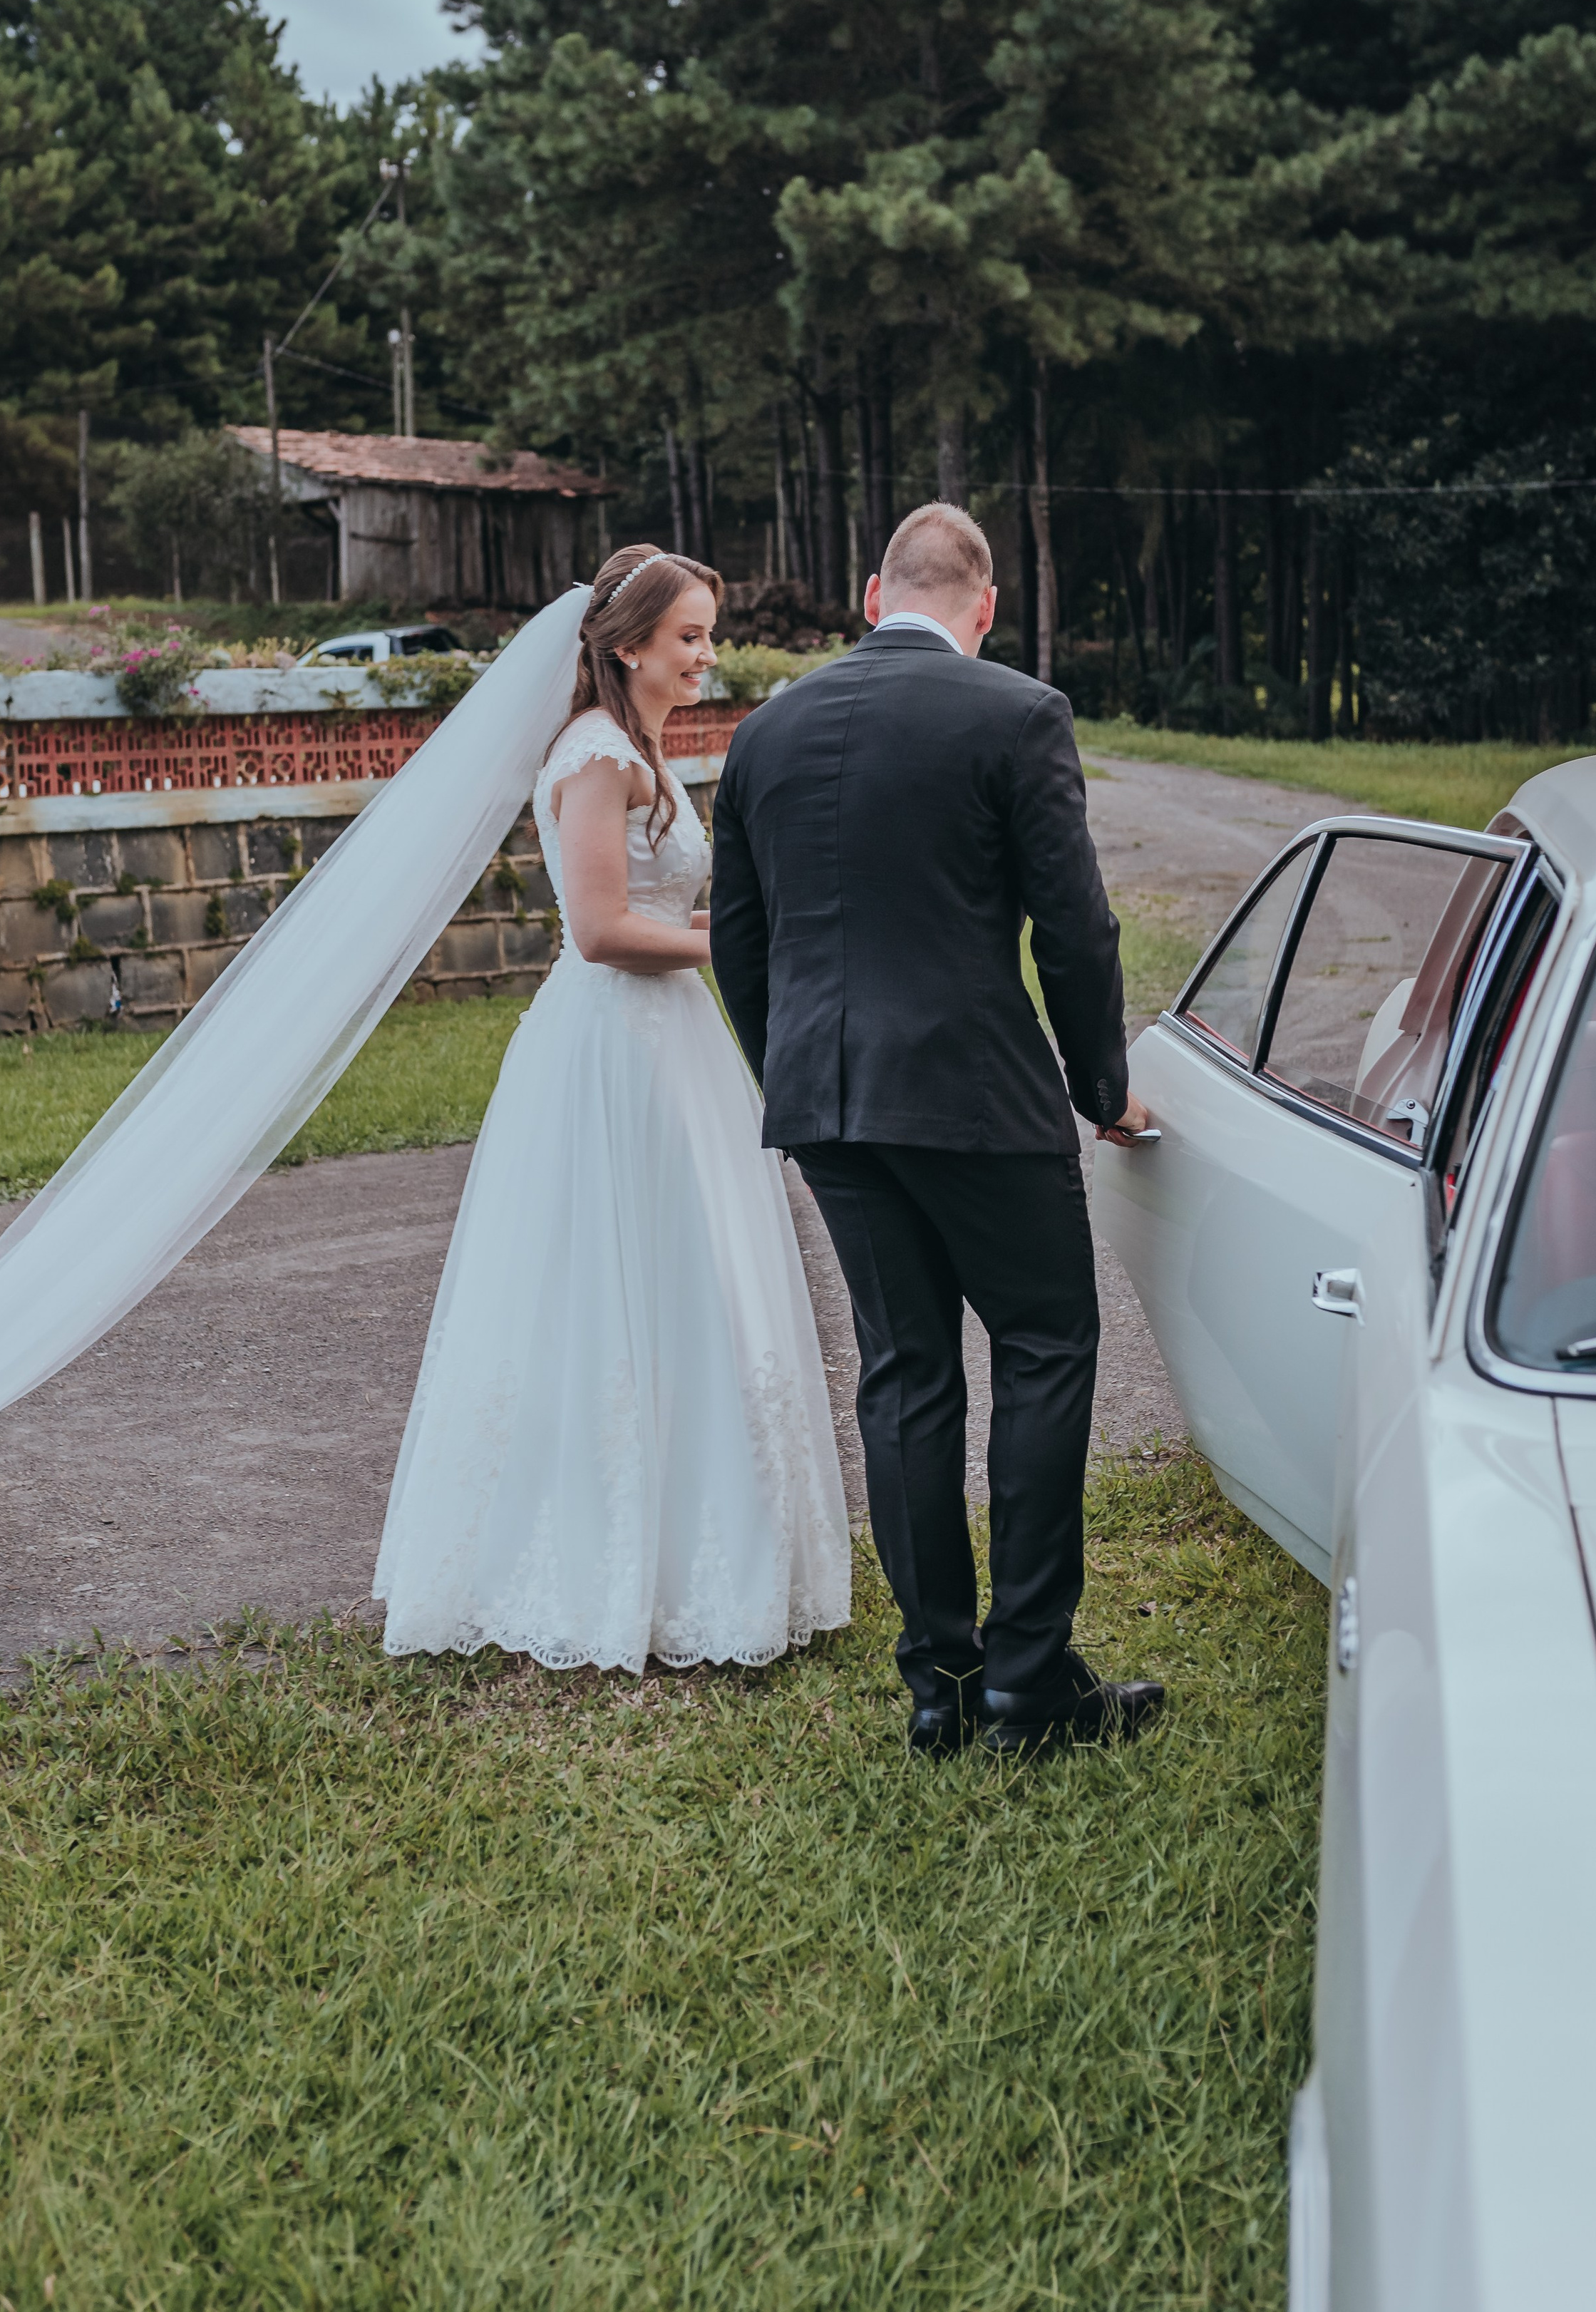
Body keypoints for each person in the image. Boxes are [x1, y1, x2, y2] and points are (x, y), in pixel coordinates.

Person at [709, 502, 1164, 1758]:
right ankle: (1029, 1682)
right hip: (977, 1099)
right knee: (1043, 1346)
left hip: (826, 1107)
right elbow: (1074, 929)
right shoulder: (1019, 714)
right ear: (985, 608)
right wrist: (1100, 1082)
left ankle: (938, 1691)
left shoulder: (765, 732)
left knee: (905, 1376)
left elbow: (741, 949)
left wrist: (801, 1081)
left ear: (869, 595)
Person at [374, 546, 850, 1673]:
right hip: (613, 1048)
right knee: (611, 1286)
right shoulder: (595, 756)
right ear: (628, 644)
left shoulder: (642, 753)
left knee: (693, 1278)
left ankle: (709, 1545)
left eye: (710, 636)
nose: (706, 656)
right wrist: (734, 946)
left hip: (670, 1041)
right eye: (690, 636)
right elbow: (597, 929)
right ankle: (597, 1558)